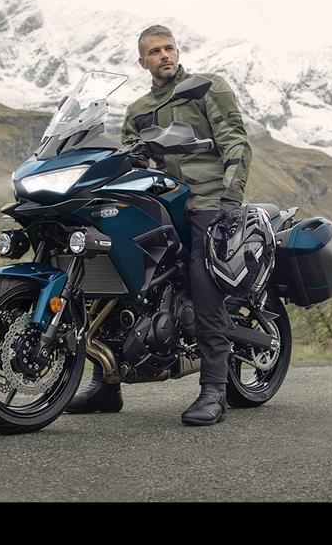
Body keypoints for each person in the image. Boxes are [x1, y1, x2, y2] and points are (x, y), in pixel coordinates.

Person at [64, 23, 252, 426]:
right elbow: (129, 161)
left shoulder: (208, 88)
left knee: (203, 279)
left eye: (169, 48)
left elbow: (235, 142)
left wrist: (231, 198)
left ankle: (214, 390)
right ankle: (105, 383)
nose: (164, 55)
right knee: (110, 271)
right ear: (142, 62)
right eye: (155, 51)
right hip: (159, 201)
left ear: (177, 52)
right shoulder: (137, 110)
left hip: (205, 198)